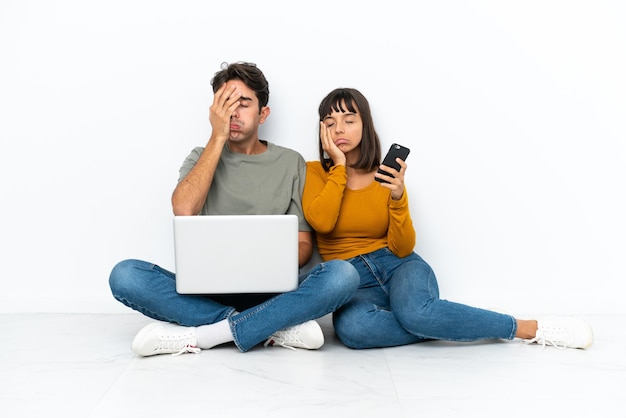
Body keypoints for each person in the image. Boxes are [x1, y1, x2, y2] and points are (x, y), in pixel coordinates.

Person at [302, 87, 593, 350]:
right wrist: (338, 167)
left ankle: (528, 328)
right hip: (351, 279)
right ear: (322, 130)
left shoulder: (386, 177)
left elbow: (402, 248)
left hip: (398, 266)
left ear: (365, 126)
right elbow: (322, 222)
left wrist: (397, 196)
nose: (339, 128)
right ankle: (437, 321)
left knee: (416, 312)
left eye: (349, 120)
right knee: (355, 331)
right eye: (330, 122)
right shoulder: (315, 172)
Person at [109, 63, 359, 356]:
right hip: (206, 292)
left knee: (343, 275)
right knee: (125, 275)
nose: (233, 113)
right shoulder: (199, 158)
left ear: (263, 113)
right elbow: (184, 210)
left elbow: (304, 245)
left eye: (243, 104)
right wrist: (217, 137)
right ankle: (270, 327)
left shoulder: (291, 162)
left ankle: (208, 334)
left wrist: (265, 258)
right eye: (225, 104)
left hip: (272, 292)